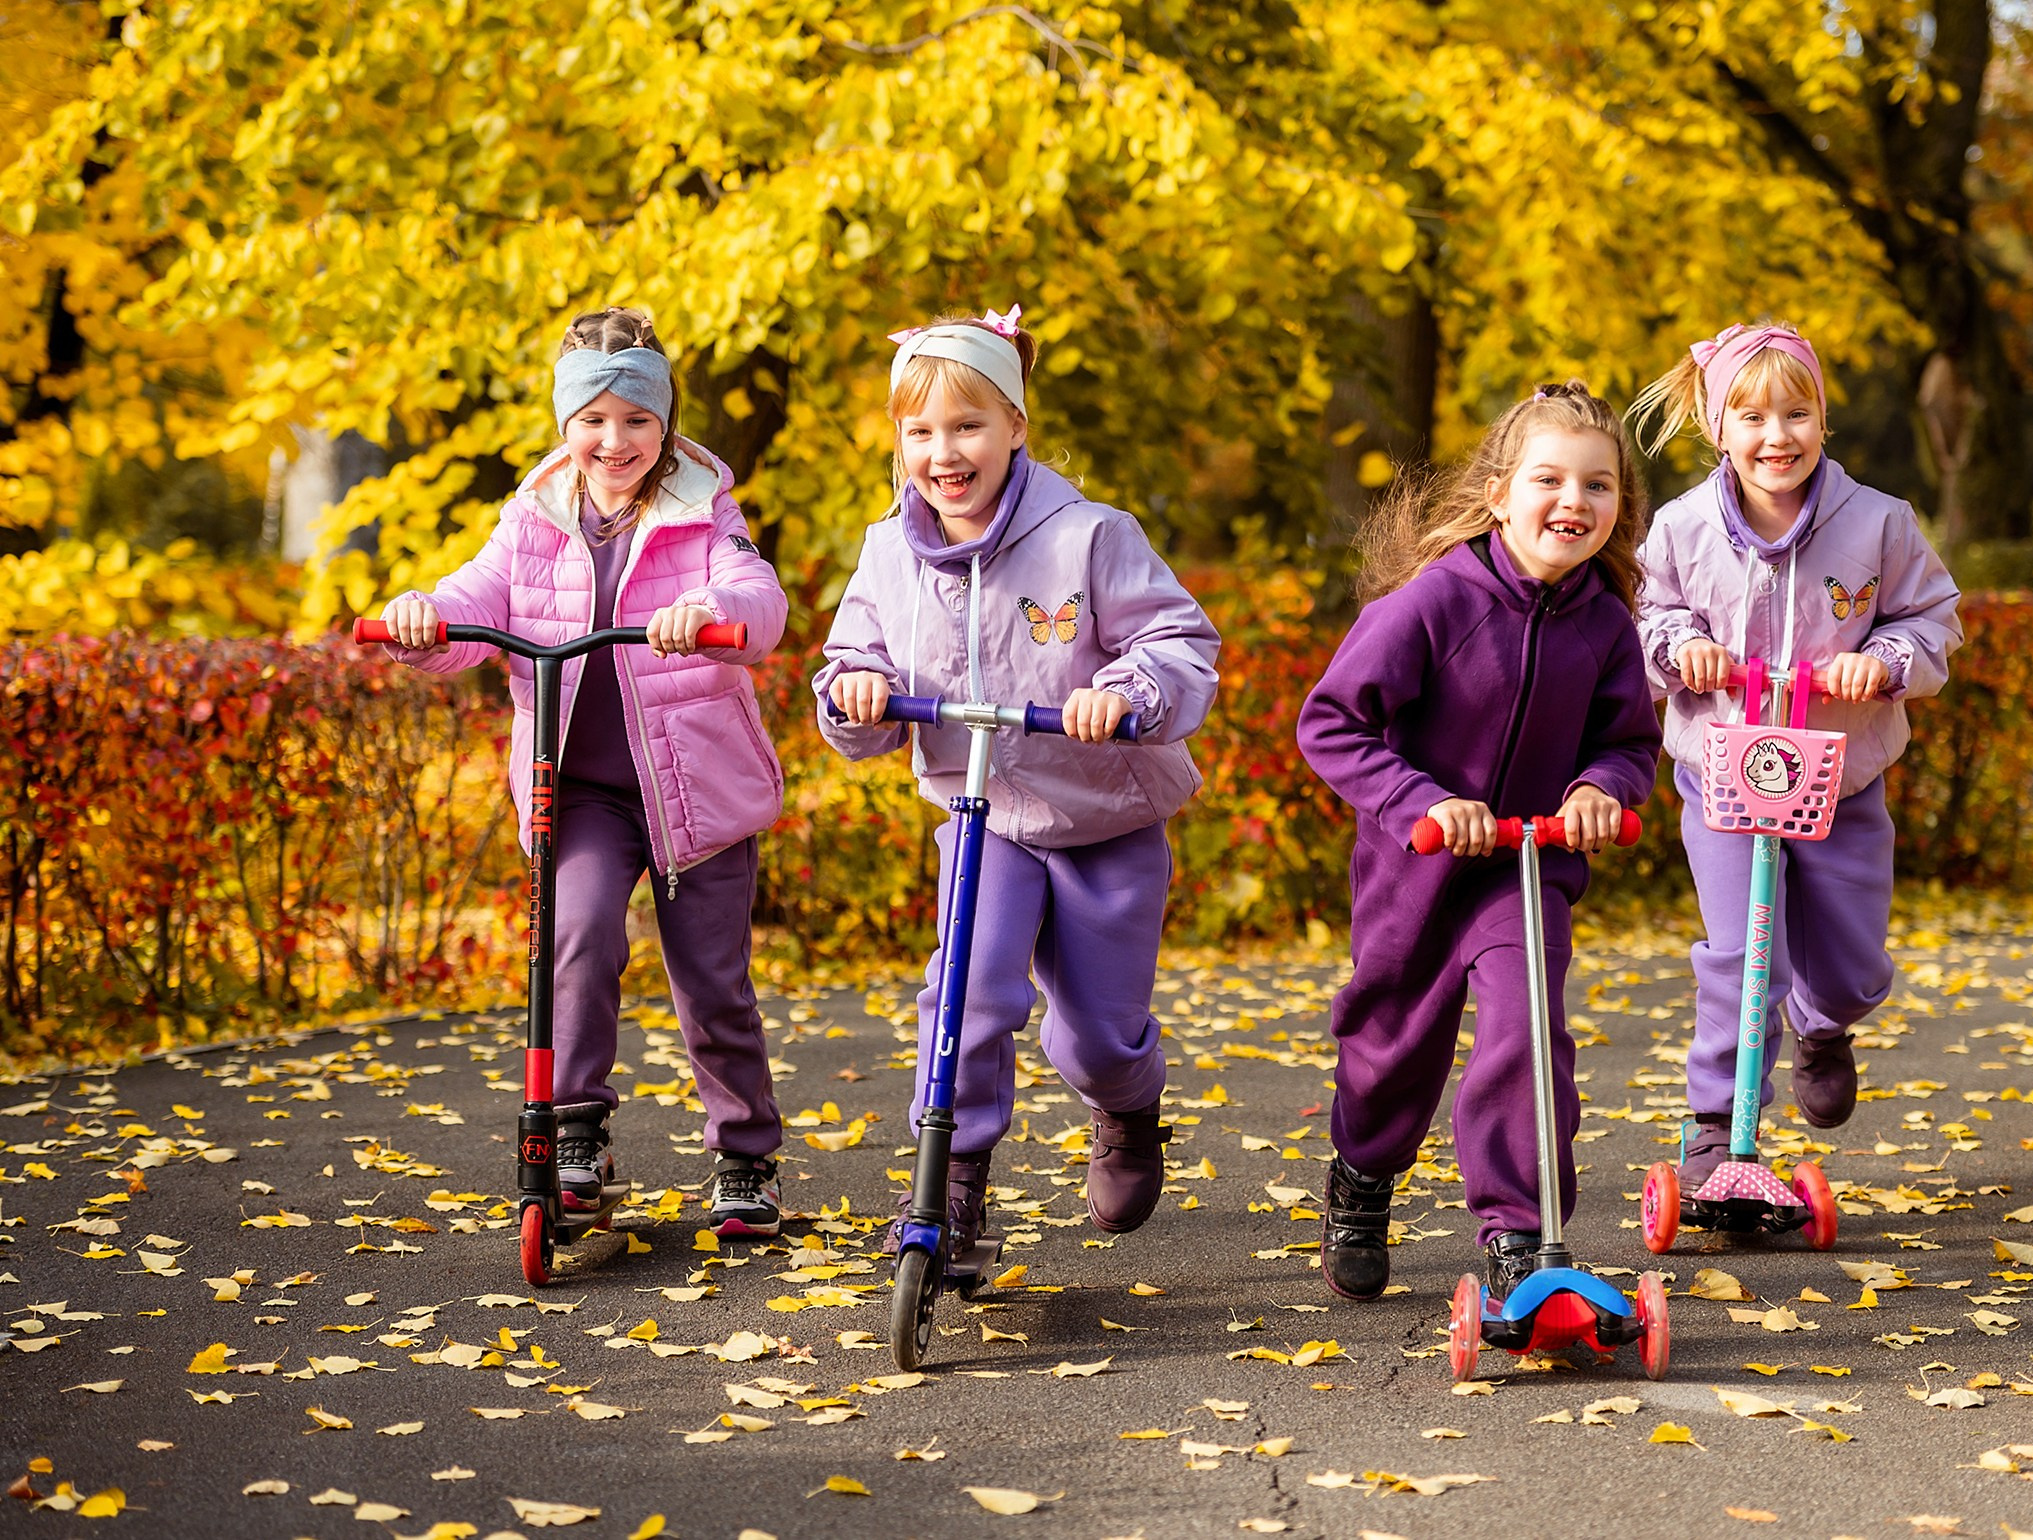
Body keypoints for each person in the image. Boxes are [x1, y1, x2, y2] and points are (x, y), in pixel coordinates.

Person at [375, 308, 791, 1236]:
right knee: (580, 939)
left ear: (666, 422)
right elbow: (478, 598)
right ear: (566, 423)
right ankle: (574, 1130)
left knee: (710, 977)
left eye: (637, 420)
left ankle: (747, 1155)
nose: (616, 440)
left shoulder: (702, 507)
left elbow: (760, 599)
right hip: (586, 789)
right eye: (595, 419)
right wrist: (424, 618)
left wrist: (714, 606)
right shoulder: (532, 516)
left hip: (696, 789)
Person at [813, 305, 1220, 1255]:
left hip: (1104, 816)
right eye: (921, 432)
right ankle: (947, 1186)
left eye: (967, 426)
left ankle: (1127, 1104)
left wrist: (1125, 689)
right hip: (982, 807)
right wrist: (858, 691)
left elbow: (1179, 642)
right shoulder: (888, 552)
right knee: (966, 990)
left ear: (1016, 430)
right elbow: (848, 660)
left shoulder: (1089, 536)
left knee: (1095, 1033)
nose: (943, 452)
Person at [1297, 382, 1660, 1304]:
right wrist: (1421, 799)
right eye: (1549, 479)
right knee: (1392, 1043)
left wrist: (1598, 790)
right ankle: (1363, 1177)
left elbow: (1627, 744)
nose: (1573, 501)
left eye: (1598, 486)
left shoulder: (1607, 627)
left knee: (1525, 1031)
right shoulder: (1434, 602)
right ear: (1500, 494)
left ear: (1619, 507)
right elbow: (1333, 723)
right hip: (1414, 867)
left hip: (1525, 868)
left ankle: (1522, 1236)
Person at [1628, 322, 1962, 1188]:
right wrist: (1679, 650)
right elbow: (1647, 615)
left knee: (1851, 966)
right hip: (1725, 776)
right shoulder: (1681, 527)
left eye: (1796, 414)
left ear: (1823, 420)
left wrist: (1883, 660)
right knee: (1743, 958)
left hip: (1840, 775)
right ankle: (1713, 1127)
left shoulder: (1879, 523)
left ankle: (1825, 1023)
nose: (1776, 436)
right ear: (1718, 427)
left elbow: (1932, 620)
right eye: (1752, 417)